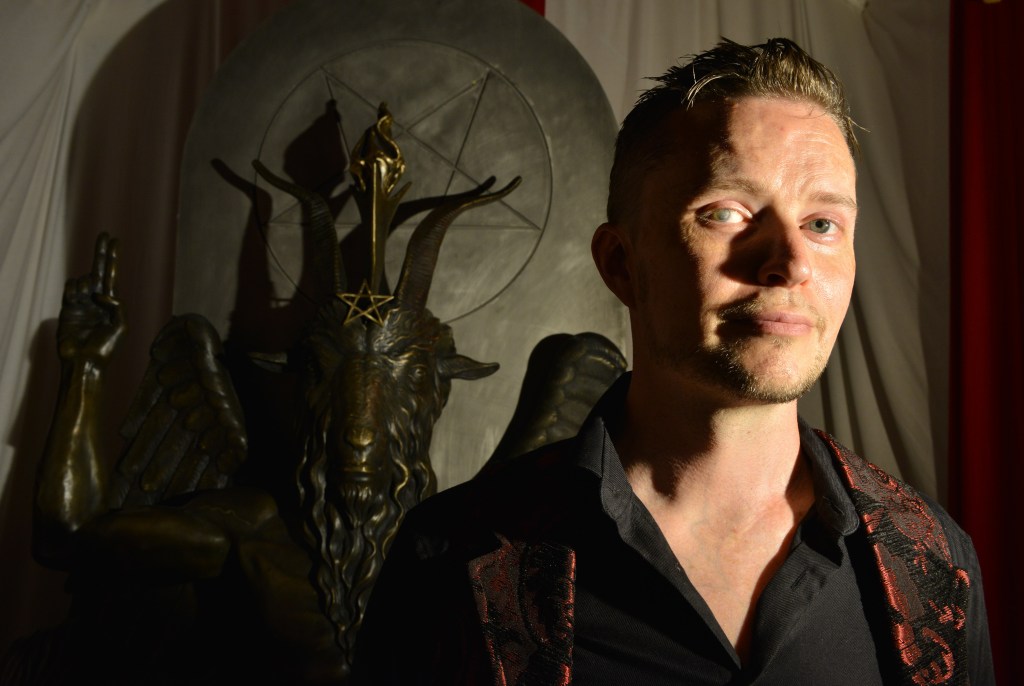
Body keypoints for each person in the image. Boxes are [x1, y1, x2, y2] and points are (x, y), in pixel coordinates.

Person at [352, 38, 994, 685]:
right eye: (727, 213)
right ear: (621, 264)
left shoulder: (934, 565)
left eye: (822, 224)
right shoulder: (454, 558)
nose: (791, 262)